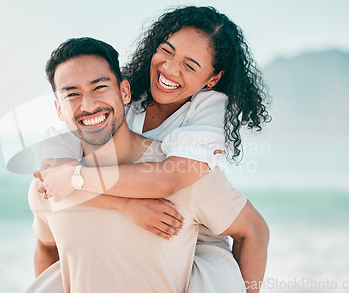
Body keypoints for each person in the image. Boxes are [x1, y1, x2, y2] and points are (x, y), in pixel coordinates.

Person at [36, 6, 270, 292]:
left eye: (190, 65)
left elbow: (167, 181)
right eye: (167, 51)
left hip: (197, 240)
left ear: (212, 79)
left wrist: (75, 179)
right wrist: (126, 205)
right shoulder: (125, 96)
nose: (170, 69)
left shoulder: (207, 112)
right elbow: (53, 172)